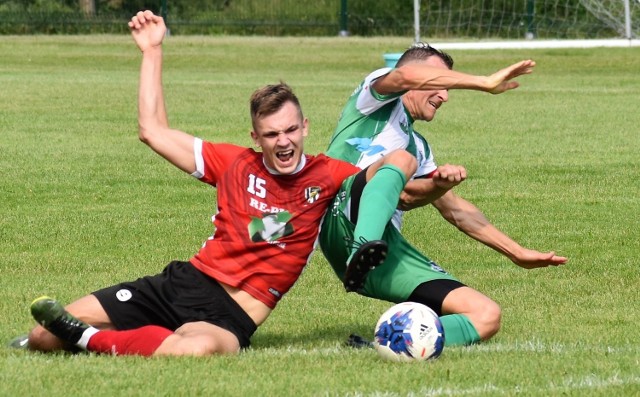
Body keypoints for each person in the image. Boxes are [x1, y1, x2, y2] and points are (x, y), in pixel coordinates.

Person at [19, 11, 418, 357]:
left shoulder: (328, 174)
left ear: (305, 127)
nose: (284, 141)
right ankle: (100, 337)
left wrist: (421, 175)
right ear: (255, 137)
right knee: (42, 336)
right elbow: (152, 131)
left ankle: (91, 339)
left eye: (291, 130)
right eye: (272, 134)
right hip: (185, 283)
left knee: (193, 348)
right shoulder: (232, 162)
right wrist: (152, 51)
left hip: (234, 315)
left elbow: (396, 187)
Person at [319, 43, 568, 347]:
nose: (445, 94)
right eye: (440, 81)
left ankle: (391, 344)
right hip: (336, 211)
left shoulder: (419, 149)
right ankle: (363, 246)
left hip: (382, 251)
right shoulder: (374, 99)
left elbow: (447, 208)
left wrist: (516, 252)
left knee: (486, 315)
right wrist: (484, 82)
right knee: (400, 161)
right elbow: (407, 74)